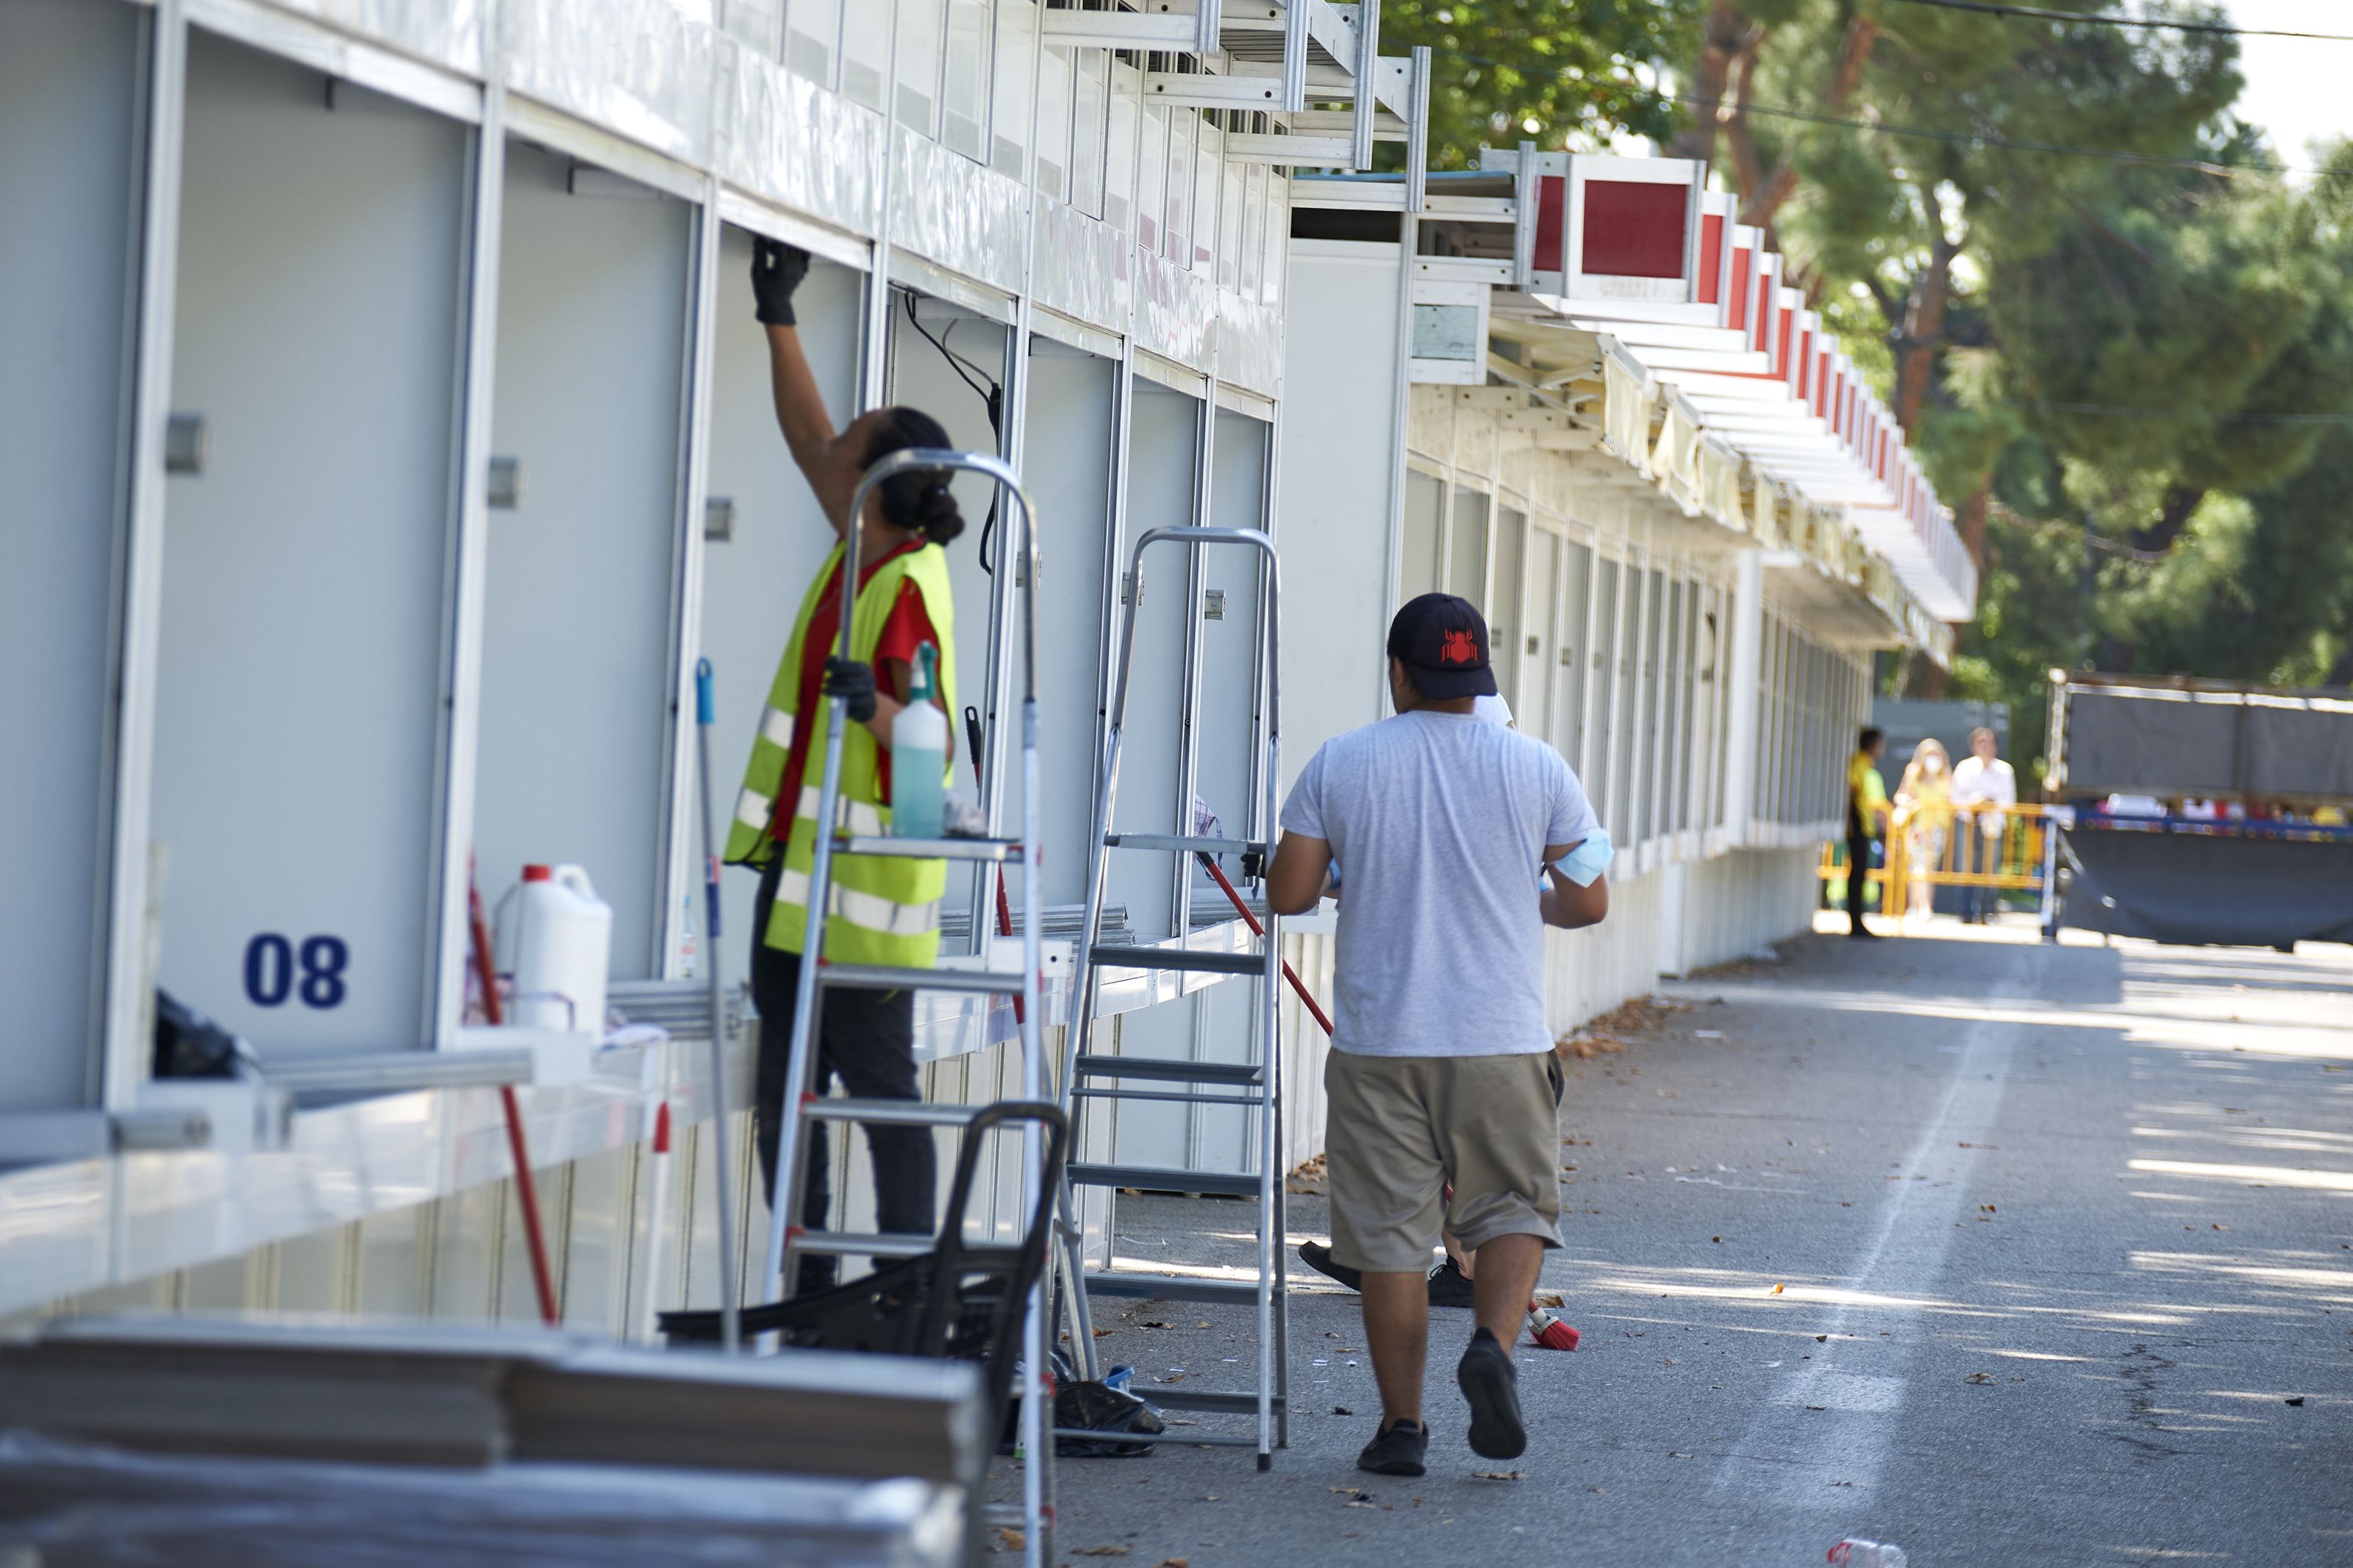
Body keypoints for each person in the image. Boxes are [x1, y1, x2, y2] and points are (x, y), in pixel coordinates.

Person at [1265, 594, 1609, 1478]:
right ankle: (1491, 1344)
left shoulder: (1340, 763)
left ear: (1397, 672)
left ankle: (1401, 1430)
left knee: (1386, 1242)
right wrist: (1517, 893)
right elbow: (1586, 898)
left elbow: (1290, 893)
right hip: (1500, 1039)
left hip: (1381, 1043)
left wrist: (1353, 870)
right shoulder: (1536, 767)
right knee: (1513, 1212)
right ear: (1480, 675)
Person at [724, 239, 963, 1295]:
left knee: (875, 1092)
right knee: (790, 1094)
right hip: (804, 878)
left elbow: (929, 757)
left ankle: (900, 1290)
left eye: (853, 448)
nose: (832, 450)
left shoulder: (905, 584)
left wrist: (879, 708)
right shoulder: (861, 544)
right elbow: (808, 436)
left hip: (860, 893)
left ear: (874, 484)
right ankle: (811, 1288)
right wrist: (777, 315)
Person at [1949, 727, 2017, 923]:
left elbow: (2009, 801)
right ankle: (1966, 911)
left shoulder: (2005, 770)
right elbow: (1956, 797)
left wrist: (1990, 803)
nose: (1985, 746)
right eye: (1981, 742)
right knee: (1967, 867)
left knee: (1990, 868)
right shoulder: (1965, 768)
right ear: (1973, 746)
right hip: (1969, 822)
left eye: (1989, 742)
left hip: (1992, 824)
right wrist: (1975, 802)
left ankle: (1987, 911)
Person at [1894, 738, 1953, 925]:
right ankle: (1919, 907)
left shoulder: (1945, 777)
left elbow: (1952, 797)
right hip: (1918, 827)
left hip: (1936, 829)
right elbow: (1901, 794)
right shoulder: (1913, 774)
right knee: (1918, 867)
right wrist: (1907, 802)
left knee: (1927, 869)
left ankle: (1923, 907)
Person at [1845, 727, 1889, 937]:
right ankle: (1856, 923)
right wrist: (1848, 821)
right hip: (1857, 823)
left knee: (1860, 874)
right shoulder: (1859, 764)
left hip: (1863, 824)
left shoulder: (1866, 766)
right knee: (1857, 875)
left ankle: (1858, 921)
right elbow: (1850, 791)